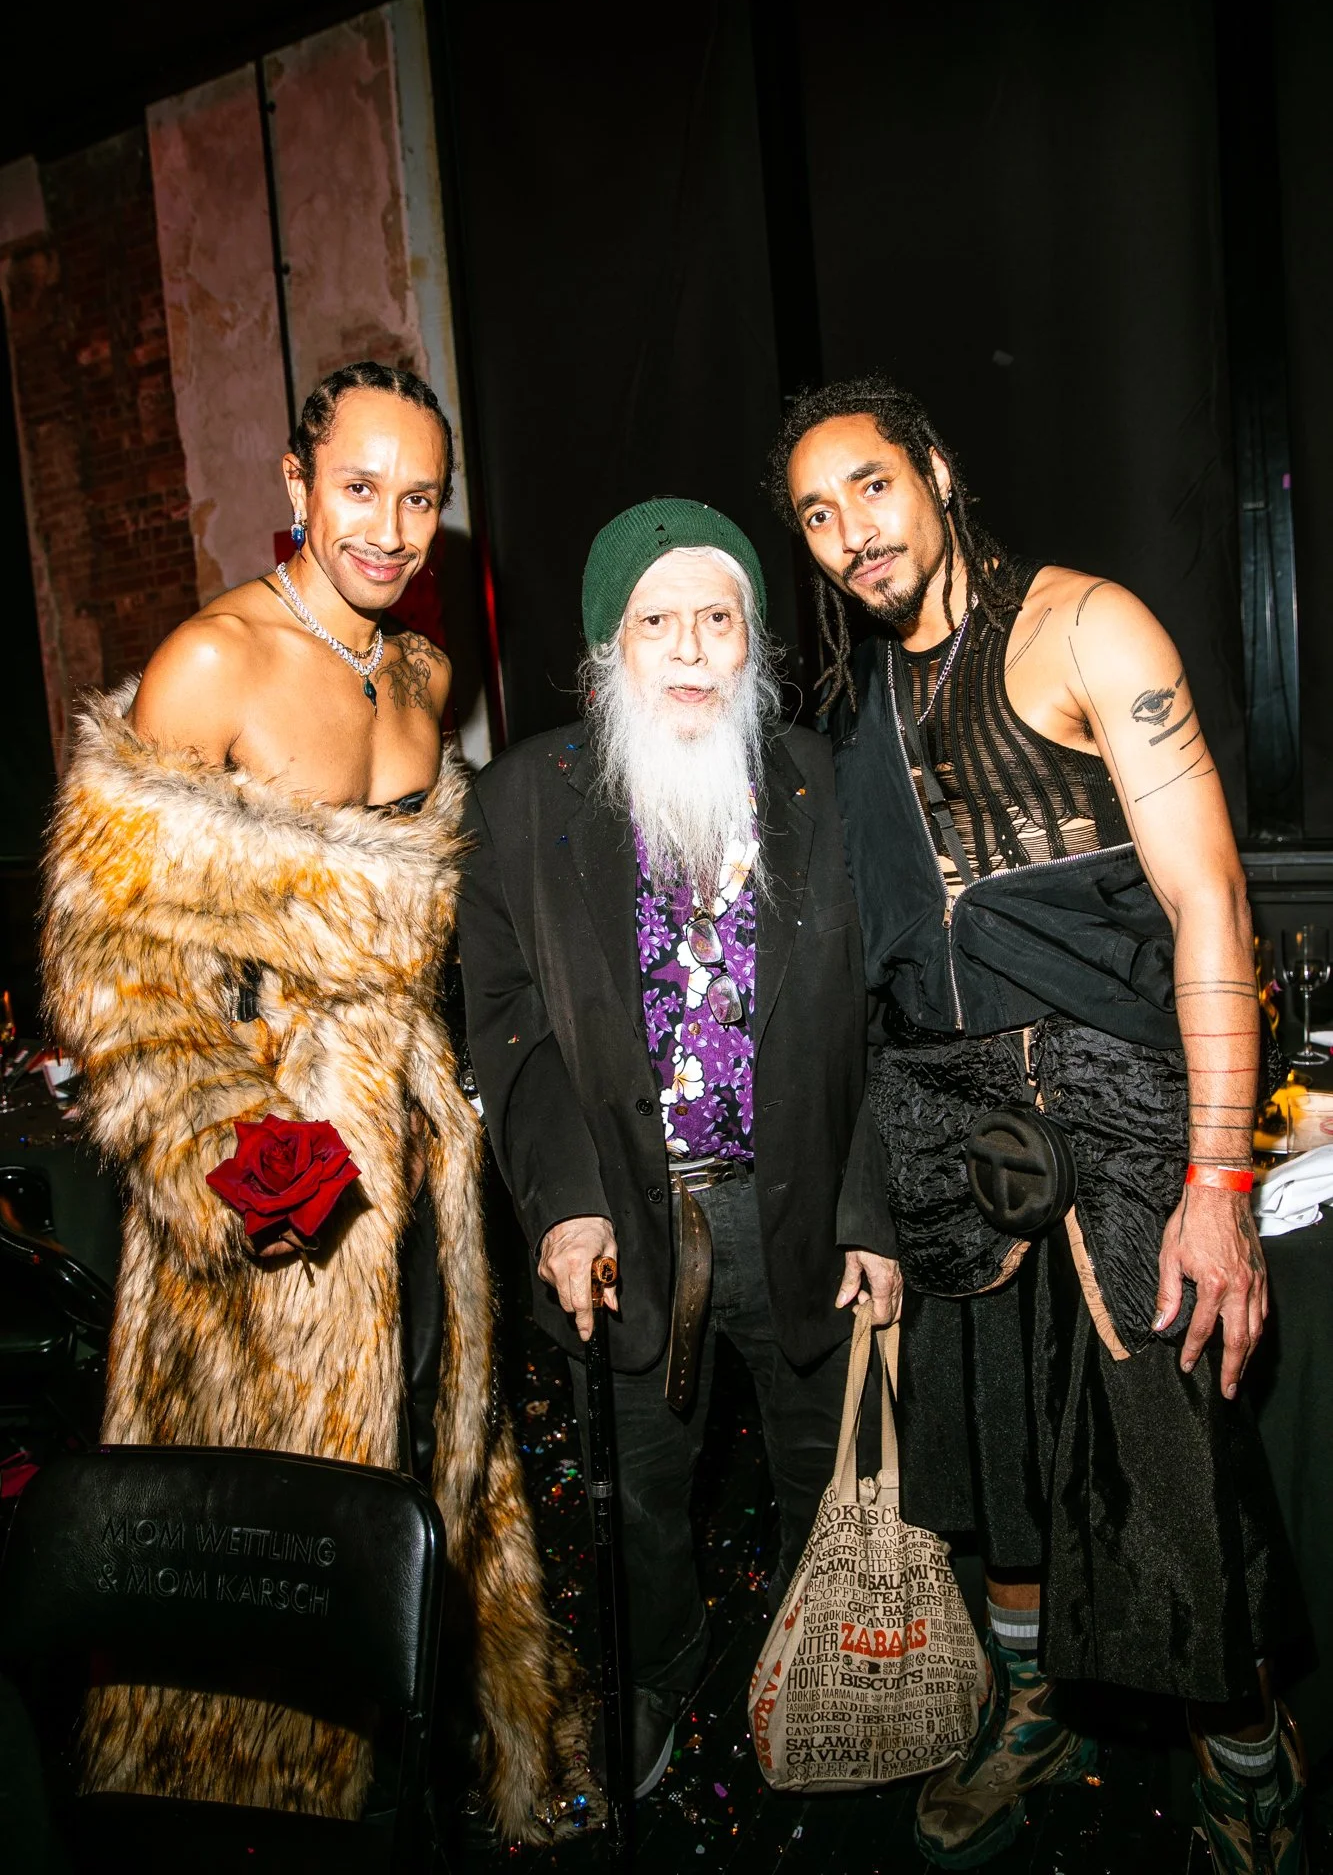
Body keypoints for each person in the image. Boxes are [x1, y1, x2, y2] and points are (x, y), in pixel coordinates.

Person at [42, 361, 587, 1839]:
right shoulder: (211, 663)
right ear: (296, 483)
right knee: (269, 1549)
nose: (389, 529)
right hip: (268, 1185)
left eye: (421, 499)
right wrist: (241, 1160)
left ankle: (435, 1795)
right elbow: (107, 967)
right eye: (359, 488)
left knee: (428, 1479)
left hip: (417, 1158)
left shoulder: (423, 677)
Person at [767, 379, 1305, 1874]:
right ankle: (1032, 1710)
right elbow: (870, 976)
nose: (852, 532)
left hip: (1121, 1110)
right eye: (817, 514)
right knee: (987, 1458)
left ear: (936, 470)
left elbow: (1210, 901)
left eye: (872, 486)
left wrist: (1219, 1178)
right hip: (945, 1127)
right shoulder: (850, 705)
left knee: (1172, 1462)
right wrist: (869, 1196)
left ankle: (1248, 1759)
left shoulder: (1087, 629)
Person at [455, 498, 896, 1798]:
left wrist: (870, 1212)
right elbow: (509, 1022)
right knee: (640, 1496)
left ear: (755, 639)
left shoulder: (825, 779)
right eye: (659, 622)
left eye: (719, 618)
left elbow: (887, 1016)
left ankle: (830, 1678)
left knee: (830, 1478)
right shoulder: (521, 800)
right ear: (612, 646)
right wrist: (565, 1204)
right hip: (628, 1218)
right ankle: (662, 1669)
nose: (693, 648)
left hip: (801, 1207)